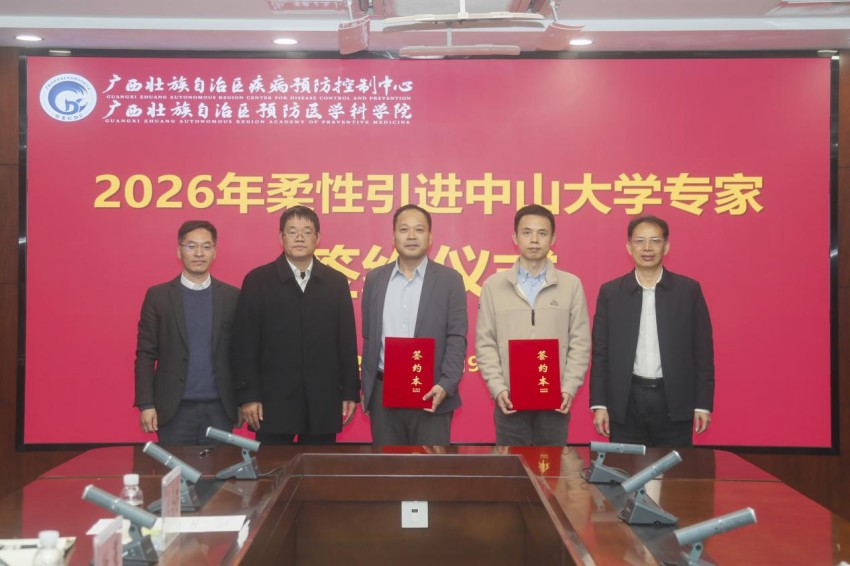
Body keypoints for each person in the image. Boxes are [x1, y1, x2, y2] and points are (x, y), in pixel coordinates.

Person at [231, 206, 359, 445]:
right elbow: (245, 344)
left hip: (322, 400)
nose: (300, 237)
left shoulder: (335, 282)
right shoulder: (258, 280)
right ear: (281, 238)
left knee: (319, 467)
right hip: (272, 402)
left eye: (307, 232)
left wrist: (351, 391)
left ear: (317, 238)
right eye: (292, 231)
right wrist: (248, 396)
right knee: (272, 466)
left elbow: (346, 342)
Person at [589, 215, 714, 447]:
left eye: (655, 241)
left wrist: (702, 404)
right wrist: (600, 404)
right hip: (626, 402)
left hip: (674, 400)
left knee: (675, 469)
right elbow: (600, 354)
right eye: (640, 241)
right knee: (626, 468)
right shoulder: (611, 293)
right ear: (629, 247)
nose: (647, 248)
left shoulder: (688, 291)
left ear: (666, 247)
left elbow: (703, 352)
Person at [476, 204, 591, 446]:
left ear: (553, 239)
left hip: (555, 401)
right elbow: (485, 343)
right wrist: (498, 388)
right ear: (515, 237)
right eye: (527, 232)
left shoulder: (571, 285)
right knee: (512, 468)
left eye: (542, 233)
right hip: (509, 401)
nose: (534, 240)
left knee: (552, 467)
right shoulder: (493, 286)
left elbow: (580, 343)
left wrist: (569, 388)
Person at [360, 204, 468, 445]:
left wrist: (446, 384)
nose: (411, 236)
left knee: (430, 468)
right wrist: (367, 389)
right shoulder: (375, 279)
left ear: (430, 237)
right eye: (404, 229)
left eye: (419, 230)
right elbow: (369, 337)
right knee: (388, 467)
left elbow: (456, 337)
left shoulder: (450, 280)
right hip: (383, 394)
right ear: (393, 237)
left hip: (432, 392)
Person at [134, 220, 240, 445]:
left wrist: (242, 400)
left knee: (220, 468)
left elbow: (241, 354)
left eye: (206, 246)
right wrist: (146, 404)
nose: (199, 253)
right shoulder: (159, 296)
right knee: (175, 469)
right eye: (191, 246)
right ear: (179, 251)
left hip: (220, 409)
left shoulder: (232, 297)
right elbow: (145, 354)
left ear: (215, 252)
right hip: (174, 410)